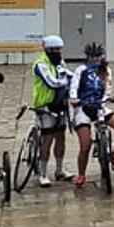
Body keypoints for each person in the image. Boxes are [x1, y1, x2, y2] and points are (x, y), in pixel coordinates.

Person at [68, 42, 114, 189]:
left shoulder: (106, 70)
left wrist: (106, 98)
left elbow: (108, 87)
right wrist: (73, 98)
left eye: (98, 56)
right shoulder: (81, 70)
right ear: (88, 57)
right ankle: (81, 174)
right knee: (86, 144)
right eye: (93, 57)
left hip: (99, 107)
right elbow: (74, 85)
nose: (96, 59)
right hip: (83, 107)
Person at [30, 35, 73, 187]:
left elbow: (69, 75)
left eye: (58, 49)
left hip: (60, 104)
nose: (56, 52)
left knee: (61, 137)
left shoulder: (60, 62)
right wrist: (67, 83)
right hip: (45, 106)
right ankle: (43, 173)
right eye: (52, 50)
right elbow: (52, 83)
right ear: (46, 49)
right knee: (47, 139)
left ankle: (59, 170)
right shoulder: (40, 64)